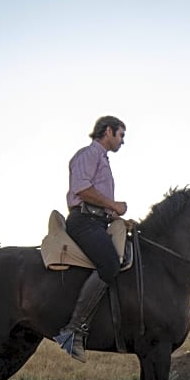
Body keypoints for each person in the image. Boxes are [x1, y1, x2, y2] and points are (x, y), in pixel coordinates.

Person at [53, 116, 128, 362]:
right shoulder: (88, 154)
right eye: (121, 135)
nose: (122, 141)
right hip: (84, 221)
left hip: (98, 221)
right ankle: (72, 331)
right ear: (108, 131)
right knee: (109, 265)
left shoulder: (102, 160)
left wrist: (116, 216)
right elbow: (82, 189)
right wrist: (113, 205)